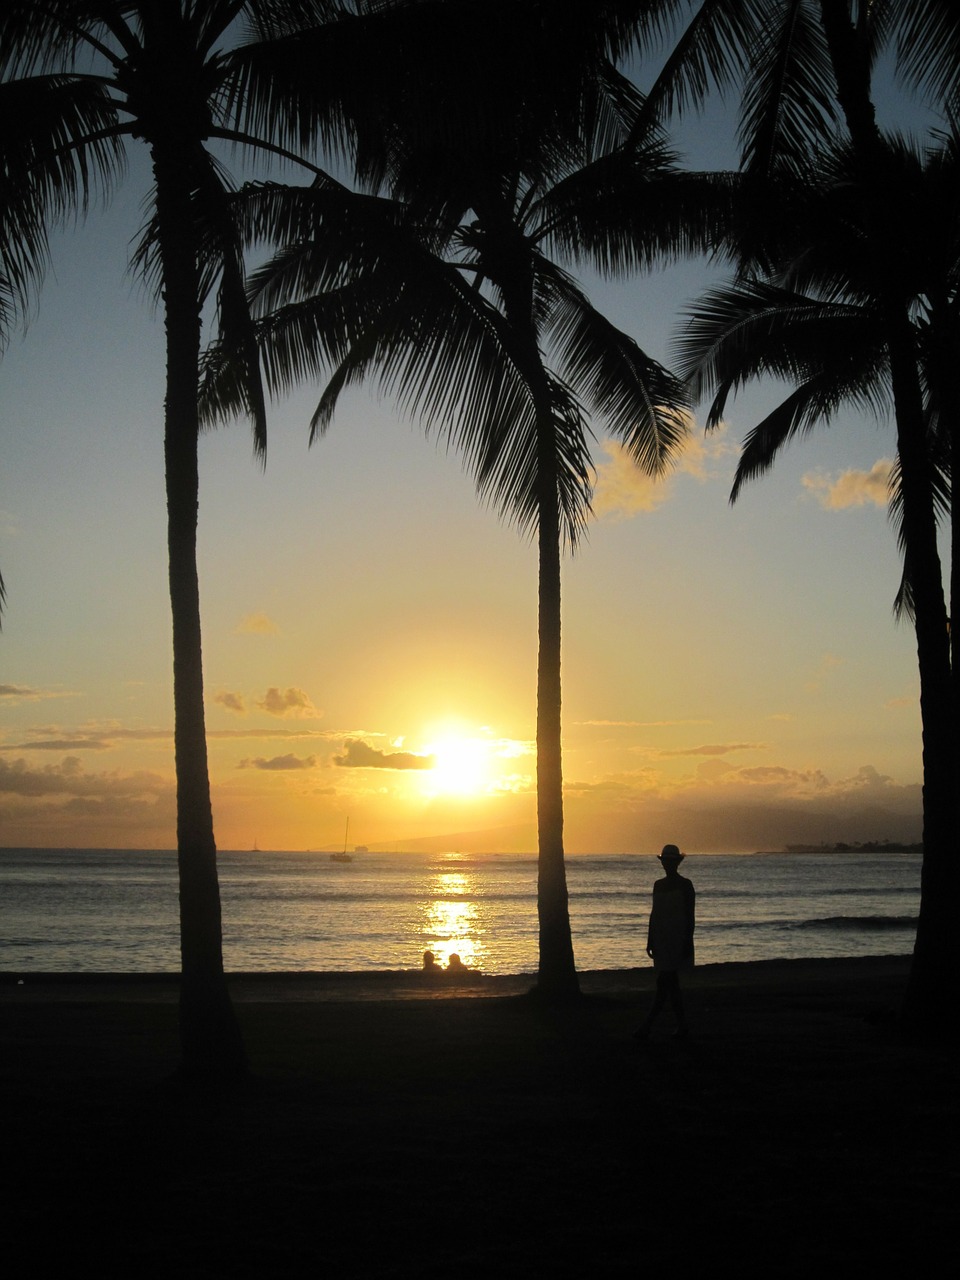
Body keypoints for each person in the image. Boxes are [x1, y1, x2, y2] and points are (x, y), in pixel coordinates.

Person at [636, 844, 695, 1040]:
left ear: (677, 863)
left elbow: (690, 915)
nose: (667, 865)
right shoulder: (658, 885)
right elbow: (654, 914)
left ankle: (648, 1025)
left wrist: (687, 940)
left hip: (677, 938)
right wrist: (650, 938)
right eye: (665, 862)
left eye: (670, 862)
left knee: (665, 982)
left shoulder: (686, 885)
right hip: (662, 938)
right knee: (670, 984)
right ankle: (681, 1025)